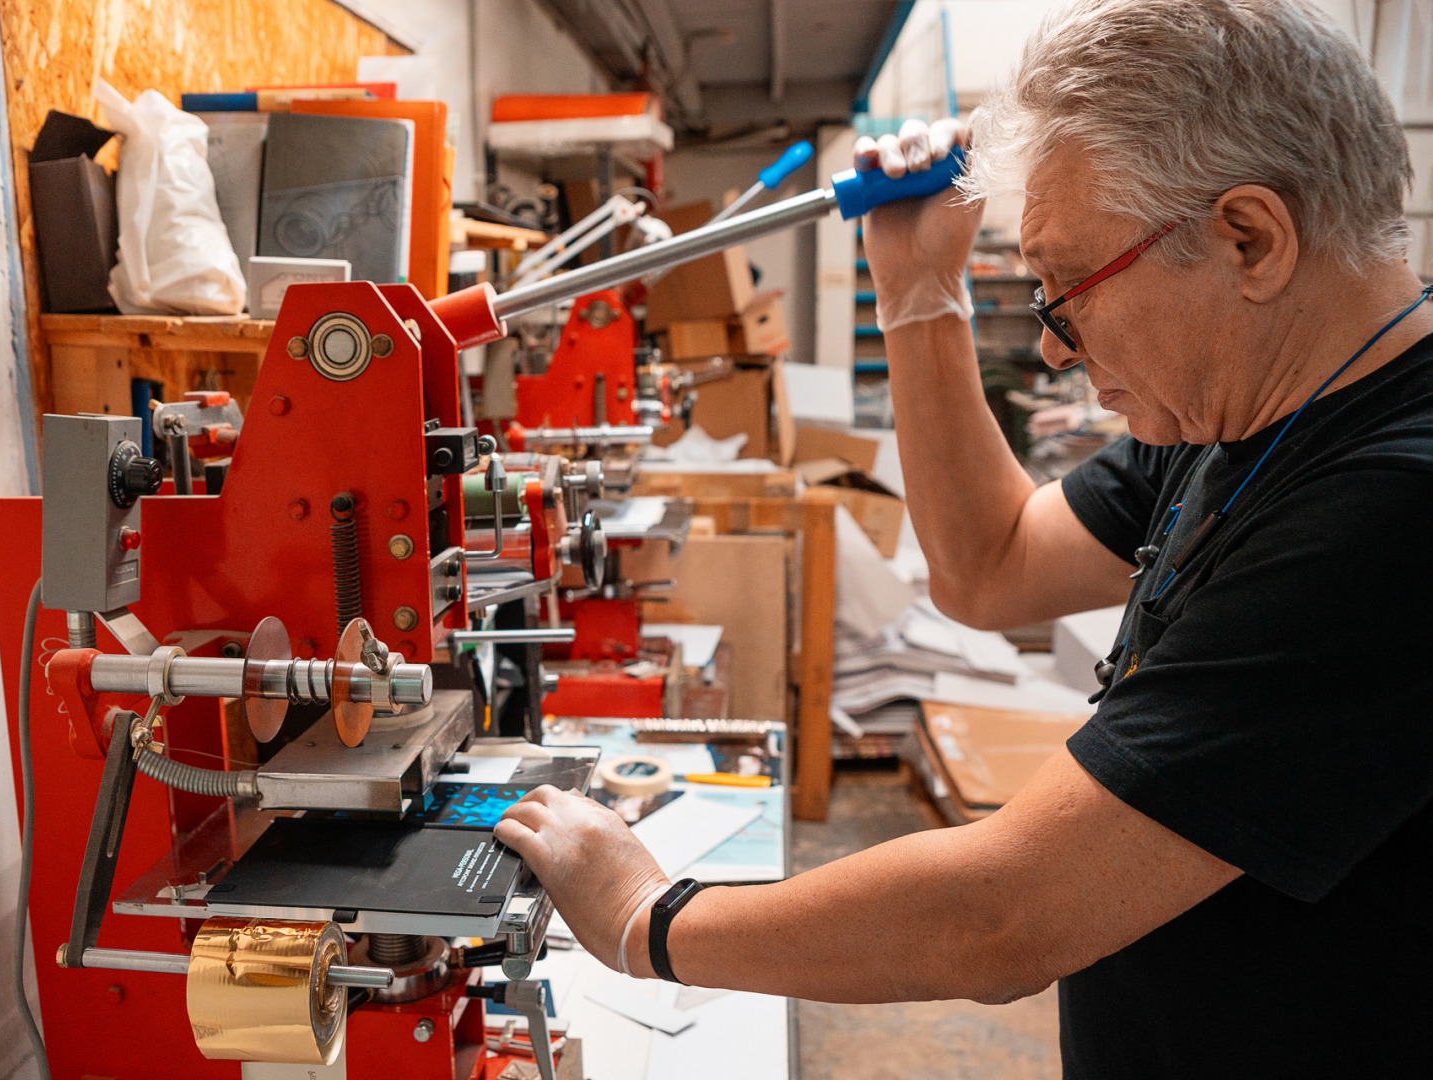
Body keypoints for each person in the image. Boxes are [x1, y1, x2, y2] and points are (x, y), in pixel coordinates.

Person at [494, 0, 1433, 1074]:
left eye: (1069, 288)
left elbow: (1007, 916)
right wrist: (917, 288)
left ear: (1249, 238)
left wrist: (647, 918)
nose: (1049, 341)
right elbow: (990, 570)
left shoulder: (1395, 509)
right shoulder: (1257, 405)